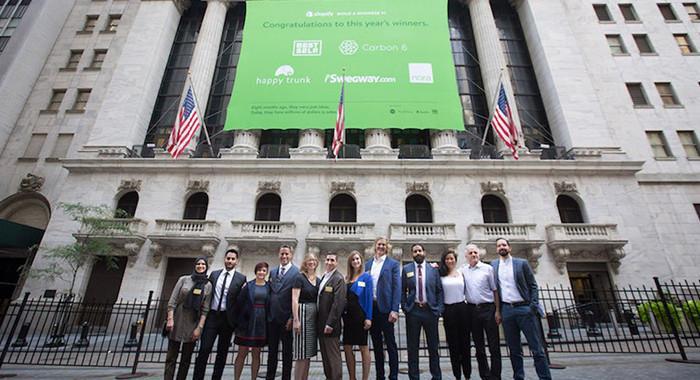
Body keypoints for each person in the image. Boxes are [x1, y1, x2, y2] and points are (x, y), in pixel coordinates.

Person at [491, 238, 551, 380]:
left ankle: (544, 377)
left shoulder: (521, 263)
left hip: (524, 308)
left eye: (504, 245)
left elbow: (533, 286)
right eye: (499, 245)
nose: (502, 247)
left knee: (536, 349)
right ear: (496, 249)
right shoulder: (493, 265)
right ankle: (518, 376)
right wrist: (498, 311)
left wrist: (533, 306)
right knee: (514, 350)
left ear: (509, 248)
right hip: (507, 310)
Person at [193, 248, 246, 380]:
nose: (230, 261)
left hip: (227, 320)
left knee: (222, 353)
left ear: (237, 261)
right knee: (204, 349)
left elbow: (240, 301)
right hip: (212, 317)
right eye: (228, 258)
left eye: (233, 259)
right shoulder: (214, 275)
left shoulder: (241, 278)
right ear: (224, 259)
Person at [164, 257, 212, 380]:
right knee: (171, 357)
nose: (200, 266)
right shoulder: (184, 279)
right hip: (177, 319)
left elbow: (205, 309)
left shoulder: (207, 285)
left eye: (203, 264)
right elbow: (173, 301)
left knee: (186, 359)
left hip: (193, 321)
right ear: (195, 265)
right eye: (198, 264)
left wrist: (199, 328)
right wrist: (170, 319)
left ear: (206, 267)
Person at [401, 243, 443, 380]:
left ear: (424, 252)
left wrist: (439, 309)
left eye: (419, 250)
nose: (417, 253)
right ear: (412, 254)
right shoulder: (406, 269)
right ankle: (414, 377)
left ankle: (436, 376)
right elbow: (402, 290)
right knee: (412, 347)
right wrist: (405, 307)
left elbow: (439, 290)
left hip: (430, 311)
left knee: (433, 347)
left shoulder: (433, 269)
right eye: (414, 251)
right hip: (413, 311)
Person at [365, 237, 401, 380]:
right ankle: (380, 376)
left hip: (386, 309)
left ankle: (393, 376)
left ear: (387, 247)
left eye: (383, 245)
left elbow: (396, 288)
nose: (380, 247)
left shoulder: (393, 264)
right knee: (377, 345)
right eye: (379, 244)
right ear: (375, 246)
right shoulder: (368, 264)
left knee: (391, 344)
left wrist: (395, 309)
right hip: (372, 309)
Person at [464, 244, 501, 380]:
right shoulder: (464, 270)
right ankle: (484, 375)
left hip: (488, 309)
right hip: (472, 310)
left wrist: (497, 310)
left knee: (494, 345)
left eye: (475, 252)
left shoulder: (488, 269)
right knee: (479, 347)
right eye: (471, 253)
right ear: (466, 256)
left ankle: (496, 376)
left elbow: (495, 290)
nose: (474, 254)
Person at [233, 262, 271, 380]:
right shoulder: (248, 286)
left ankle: (253, 378)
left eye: (264, 270)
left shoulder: (269, 287)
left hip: (261, 324)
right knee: (242, 353)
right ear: (255, 271)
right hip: (246, 322)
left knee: (256, 354)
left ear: (266, 273)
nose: (261, 272)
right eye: (259, 270)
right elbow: (239, 302)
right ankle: (236, 378)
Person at [266, 245, 299, 380]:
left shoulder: (296, 273)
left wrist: (292, 317)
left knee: (287, 353)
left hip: (287, 320)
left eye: (286, 254)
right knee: (271, 352)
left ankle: (286, 377)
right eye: (282, 254)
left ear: (291, 255)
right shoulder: (273, 272)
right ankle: (270, 376)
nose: (284, 256)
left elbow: (297, 297)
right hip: (272, 319)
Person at [438, 249, 470, 379]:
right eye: (447, 259)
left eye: (452, 258)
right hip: (448, 310)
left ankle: (467, 374)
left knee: (465, 343)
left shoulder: (462, 272)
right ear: (444, 261)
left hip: (462, 308)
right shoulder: (440, 274)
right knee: (453, 344)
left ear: (455, 260)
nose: (450, 261)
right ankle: (457, 374)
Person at [343, 250, 374, 380]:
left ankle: (364, 378)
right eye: (353, 259)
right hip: (347, 317)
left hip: (360, 315)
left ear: (361, 261)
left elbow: (369, 298)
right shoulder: (347, 279)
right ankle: (352, 377)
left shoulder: (366, 277)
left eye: (357, 259)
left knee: (363, 347)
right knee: (347, 347)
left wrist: (368, 318)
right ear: (350, 262)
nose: (355, 261)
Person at [317, 252, 347, 380]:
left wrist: (330, 323)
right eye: (327, 259)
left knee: (333, 357)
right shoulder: (324, 276)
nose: (329, 262)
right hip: (321, 324)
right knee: (325, 357)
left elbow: (338, 304)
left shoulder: (338, 279)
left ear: (336, 262)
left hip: (330, 326)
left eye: (332, 260)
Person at [291, 253, 320, 380]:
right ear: (305, 262)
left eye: (313, 260)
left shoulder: (318, 280)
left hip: (312, 318)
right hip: (302, 315)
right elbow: (294, 299)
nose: (311, 262)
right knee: (301, 353)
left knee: (308, 353)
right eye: (309, 260)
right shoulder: (299, 277)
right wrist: (296, 320)